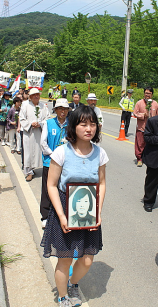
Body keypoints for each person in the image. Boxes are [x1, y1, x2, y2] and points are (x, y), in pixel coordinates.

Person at [41, 105, 109, 307]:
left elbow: (102, 183)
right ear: (73, 126)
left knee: (87, 259)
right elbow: (51, 185)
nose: (89, 128)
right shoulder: (62, 152)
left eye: (93, 124)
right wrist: (61, 216)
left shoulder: (100, 153)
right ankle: (63, 297)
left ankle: (73, 284)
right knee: (65, 258)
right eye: (83, 124)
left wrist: (97, 211)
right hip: (65, 207)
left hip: (89, 209)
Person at [40, 98, 70, 229]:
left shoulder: (71, 124)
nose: (63, 112)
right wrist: (54, 155)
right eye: (60, 109)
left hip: (66, 163)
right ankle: (45, 216)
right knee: (47, 189)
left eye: (65, 109)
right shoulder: (48, 123)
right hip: (50, 162)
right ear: (56, 110)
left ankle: (62, 214)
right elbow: (43, 143)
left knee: (63, 189)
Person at [19, 88, 50, 182]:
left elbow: (47, 117)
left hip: (38, 132)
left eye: (38, 95)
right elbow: (21, 118)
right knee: (28, 152)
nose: (36, 96)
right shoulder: (25, 105)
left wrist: (40, 123)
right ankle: (28, 172)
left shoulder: (43, 106)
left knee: (37, 151)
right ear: (31, 97)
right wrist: (30, 124)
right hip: (29, 132)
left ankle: (33, 168)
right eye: (34, 95)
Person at [133, 87, 158, 167]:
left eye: (149, 93)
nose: (147, 95)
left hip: (152, 129)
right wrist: (143, 115)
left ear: (152, 94)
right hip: (141, 127)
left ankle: (147, 158)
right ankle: (139, 159)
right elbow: (135, 113)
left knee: (150, 144)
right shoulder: (139, 103)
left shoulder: (155, 103)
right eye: (146, 93)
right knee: (140, 144)